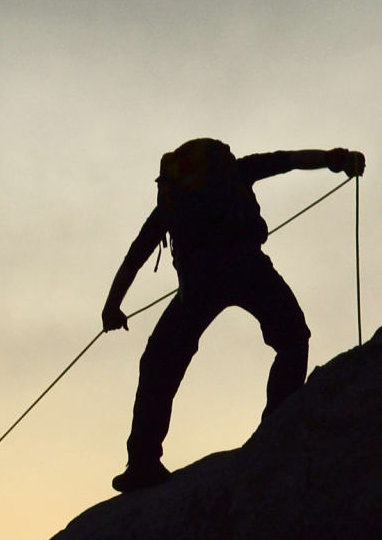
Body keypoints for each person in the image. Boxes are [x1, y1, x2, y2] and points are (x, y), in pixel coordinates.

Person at [100, 138, 365, 493]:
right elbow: (289, 160)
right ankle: (277, 428)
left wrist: (112, 306)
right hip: (248, 268)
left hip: (198, 285)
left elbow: (135, 257)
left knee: (159, 364)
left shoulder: (172, 203)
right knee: (292, 338)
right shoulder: (238, 171)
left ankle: (142, 463)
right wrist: (337, 159)